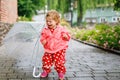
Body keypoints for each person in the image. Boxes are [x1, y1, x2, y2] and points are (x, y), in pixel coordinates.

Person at [40, 10, 71, 80]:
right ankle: (45, 71)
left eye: (50, 21)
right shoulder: (45, 30)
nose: (48, 23)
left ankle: (60, 72)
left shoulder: (61, 29)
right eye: (47, 21)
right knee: (46, 61)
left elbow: (67, 36)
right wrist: (43, 41)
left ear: (56, 21)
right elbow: (42, 38)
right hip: (49, 49)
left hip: (59, 49)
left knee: (59, 62)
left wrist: (66, 36)